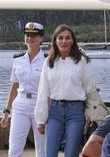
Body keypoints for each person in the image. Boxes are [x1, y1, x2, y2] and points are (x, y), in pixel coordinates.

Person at [34, 24, 97, 157]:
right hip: (55, 112)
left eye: (67, 38)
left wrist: (90, 115)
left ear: (73, 40)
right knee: (49, 153)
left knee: (71, 153)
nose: (64, 41)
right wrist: (41, 119)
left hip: (76, 112)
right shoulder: (49, 62)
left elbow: (90, 90)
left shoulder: (83, 61)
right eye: (60, 38)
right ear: (55, 41)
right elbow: (43, 92)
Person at [0, 22, 46, 157]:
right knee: (14, 149)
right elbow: (14, 86)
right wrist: (7, 111)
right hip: (20, 105)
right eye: (27, 35)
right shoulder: (18, 59)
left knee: (42, 150)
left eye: (34, 35)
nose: (30, 38)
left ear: (41, 38)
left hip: (40, 105)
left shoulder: (48, 60)